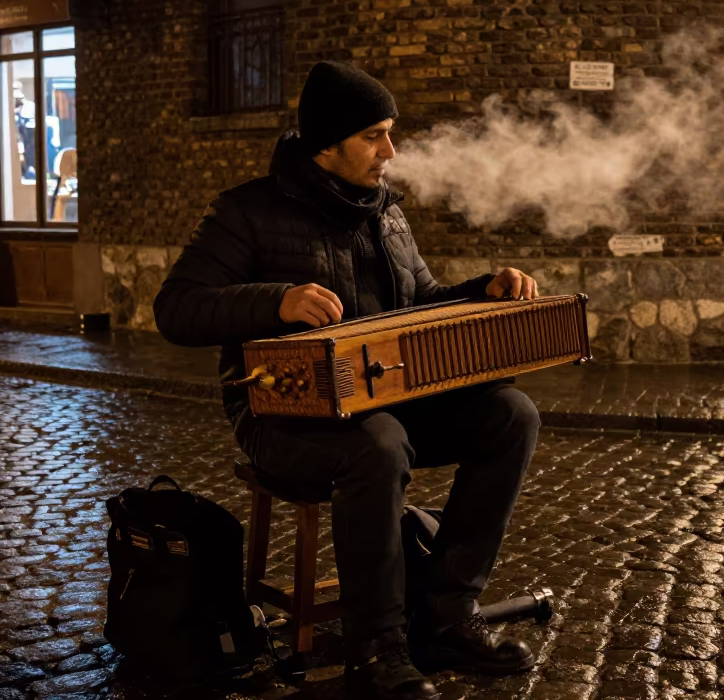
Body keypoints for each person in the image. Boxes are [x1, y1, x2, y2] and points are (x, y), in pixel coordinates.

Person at [155, 61, 543, 700]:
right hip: (279, 417)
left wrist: (484, 292)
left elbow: (422, 305)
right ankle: (376, 649)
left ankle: (445, 615)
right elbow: (176, 309)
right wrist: (275, 302)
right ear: (326, 144)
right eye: (374, 136)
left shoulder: (386, 215)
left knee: (512, 414)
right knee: (379, 442)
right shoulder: (246, 211)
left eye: (390, 134)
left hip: (383, 397)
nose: (390, 152)